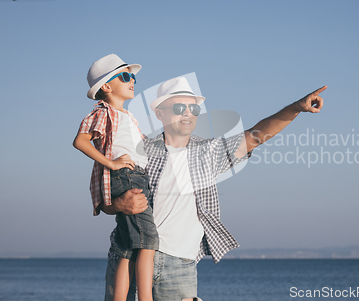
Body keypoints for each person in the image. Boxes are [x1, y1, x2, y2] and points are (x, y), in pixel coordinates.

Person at [102, 76, 327, 301]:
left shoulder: (210, 152)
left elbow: (256, 136)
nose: (188, 113)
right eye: (179, 107)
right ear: (160, 113)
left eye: (194, 108)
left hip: (179, 267)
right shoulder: (140, 150)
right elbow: (105, 198)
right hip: (129, 257)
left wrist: (296, 107)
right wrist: (119, 204)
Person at [73, 54, 159, 301]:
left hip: (137, 175)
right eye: (125, 76)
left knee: (126, 247)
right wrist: (111, 163)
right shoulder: (103, 112)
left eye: (132, 76)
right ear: (107, 86)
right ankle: (146, 298)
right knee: (148, 241)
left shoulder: (129, 117)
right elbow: (80, 140)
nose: (132, 80)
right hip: (127, 178)